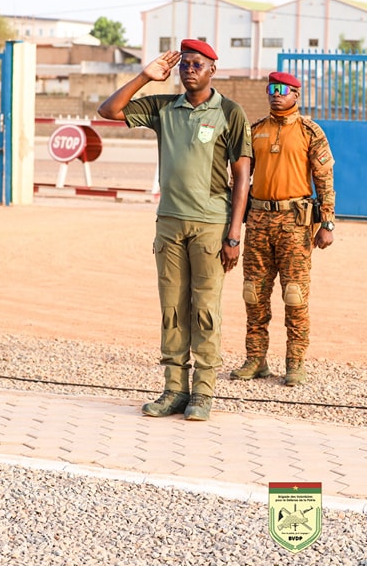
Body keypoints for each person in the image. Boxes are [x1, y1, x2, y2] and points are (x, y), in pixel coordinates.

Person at [97, 39, 252, 422]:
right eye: (184, 64)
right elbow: (108, 110)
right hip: (169, 222)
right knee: (172, 308)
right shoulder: (164, 107)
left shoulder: (229, 112)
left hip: (211, 224)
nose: (189, 70)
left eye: (197, 64)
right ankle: (174, 390)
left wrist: (234, 234)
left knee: (205, 309)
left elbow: (242, 176)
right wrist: (144, 77)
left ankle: (203, 392)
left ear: (213, 69)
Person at [230, 71, 336, 387]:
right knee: (254, 293)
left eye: (283, 89)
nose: (276, 94)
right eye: (272, 88)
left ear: (296, 95)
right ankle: (256, 360)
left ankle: (295, 363)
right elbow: (240, 179)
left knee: (295, 295)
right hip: (259, 222)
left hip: (295, 223)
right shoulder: (255, 131)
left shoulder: (309, 131)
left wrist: (327, 222)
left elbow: (324, 179)